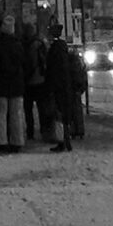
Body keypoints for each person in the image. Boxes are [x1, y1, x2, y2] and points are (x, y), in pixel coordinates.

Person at [0, 12, 27, 151]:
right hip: (16, 86)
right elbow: (24, 64)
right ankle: (17, 141)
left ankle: (1, 142)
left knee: (0, 116)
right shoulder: (18, 45)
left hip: (0, 86)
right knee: (16, 115)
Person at [45, 20, 80, 152]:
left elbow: (51, 69)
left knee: (58, 115)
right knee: (65, 115)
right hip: (65, 86)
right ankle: (66, 141)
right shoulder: (63, 48)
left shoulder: (55, 49)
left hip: (58, 87)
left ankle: (62, 141)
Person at [22, 15, 48, 144]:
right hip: (41, 81)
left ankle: (30, 132)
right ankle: (43, 130)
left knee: (28, 110)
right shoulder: (41, 43)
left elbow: (31, 64)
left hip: (31, 82)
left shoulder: (30, 46)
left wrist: (25, 77)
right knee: (41, 108)